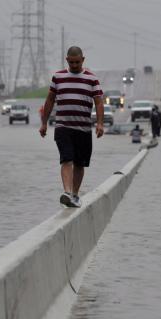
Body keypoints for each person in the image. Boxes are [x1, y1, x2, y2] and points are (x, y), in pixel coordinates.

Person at [39, 46, 104, 208]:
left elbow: (98, 102)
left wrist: (100, 123)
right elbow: (50, 100)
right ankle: (67, 192)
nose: (74, 65)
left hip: (83, 129)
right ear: (67, 60)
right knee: (66, 159)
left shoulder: (92, 79)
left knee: (80, 164)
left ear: (83, 60)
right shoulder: (58, 77)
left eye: (77, 62)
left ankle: (75, 194)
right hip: (63, 126)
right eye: (72, 62)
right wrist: (44, 123)